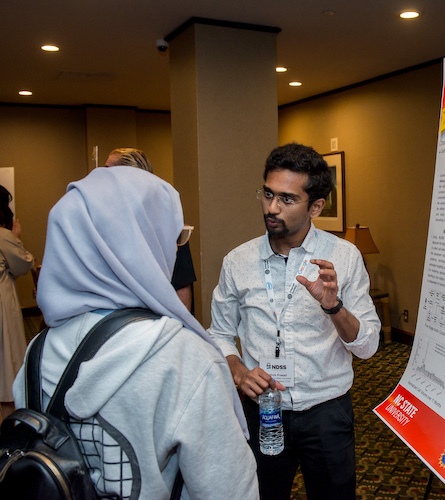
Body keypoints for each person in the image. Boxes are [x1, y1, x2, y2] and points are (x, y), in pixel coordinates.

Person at [13, 167, 258, 499]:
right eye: (173, 237)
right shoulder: (183, 358)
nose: (174, 251)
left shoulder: (36, 352)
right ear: (143, 245)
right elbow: (227, 490)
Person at [209, 143, 380, 499]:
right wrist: (239, 372)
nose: (272, 208)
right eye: (268, 194)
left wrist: (334, 307)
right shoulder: (237, 261)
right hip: (264, 411)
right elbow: (219, 334)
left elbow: (367, 347)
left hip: (327, 413)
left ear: (315, 206)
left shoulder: (344, 258)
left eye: (287, 199)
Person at [104, 147, 197, 312]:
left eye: (106, 170)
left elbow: (181, 287)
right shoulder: (102, 223)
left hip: (154, 323)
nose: (100, 177)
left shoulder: (170, 227)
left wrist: (180, 331)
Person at [0, 185, 34, 423]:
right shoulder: (3, 236)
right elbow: (24, 264)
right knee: (7, 363)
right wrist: (16, 238)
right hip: (2, 305)